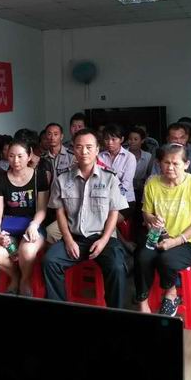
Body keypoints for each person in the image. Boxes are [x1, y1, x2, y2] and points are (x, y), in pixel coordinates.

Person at [42, 129, 128, 308]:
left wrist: (104, 240)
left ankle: (117, 313)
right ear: (73, 149)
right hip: (75, 239)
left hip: (103, 239)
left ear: (97, 150)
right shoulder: (62, 179)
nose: (84, 151)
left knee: (117, 266)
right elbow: (59, 212)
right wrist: (68, 240)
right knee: (50, 260)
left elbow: (114, 212)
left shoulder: (110, 178)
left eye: (89, 147)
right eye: (79, 147)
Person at [134, 144, 191, 316]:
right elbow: (146, 212)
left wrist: (175, 242)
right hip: (157, 236)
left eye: (175, 163)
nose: (170, 167)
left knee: (166, 260)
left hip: (189, 241)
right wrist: (151, 220)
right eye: (166, 163)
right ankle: (142, 302)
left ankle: (171, 293)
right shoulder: (152, 183)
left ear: (186, 164)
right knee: (141, 257)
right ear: (159, 163)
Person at [0, 139, 49, 295]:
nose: (15, 161)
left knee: (27, 251)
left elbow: (42, 209)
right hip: (9, 227)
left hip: (33, 226)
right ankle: (15, 276)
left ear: (29, 156)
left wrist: (34, 225)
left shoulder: (38, 176)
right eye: (11, 156)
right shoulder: (1, 178)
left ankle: (25, 280)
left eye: (20, 156)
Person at [98, 123, 136, 206]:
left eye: (113, 139)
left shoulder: (129, 157)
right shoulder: (100, 156)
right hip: (103, 199)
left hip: (125, 200)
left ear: (121, 139)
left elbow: (126, 184)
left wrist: (113, 195)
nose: (109, 142)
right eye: (106, 139)